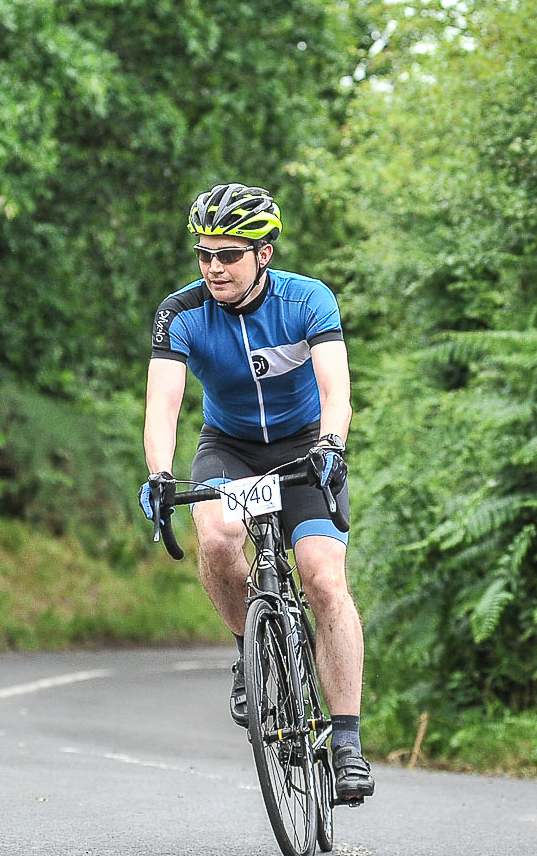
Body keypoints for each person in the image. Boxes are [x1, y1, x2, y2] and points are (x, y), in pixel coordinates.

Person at [138, 182, 374, 802]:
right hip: (231, 449)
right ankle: (252, 649)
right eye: (205, 254)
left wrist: (331, 444)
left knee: (324, 580)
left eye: (229, 254)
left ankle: (346, 741)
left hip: (304, 447)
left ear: (262, 254)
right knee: (216, 540)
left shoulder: (307, 300)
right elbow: (162, 403)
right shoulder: (181, 312)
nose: (213, 266)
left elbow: (337, 390)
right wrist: (159, 474)